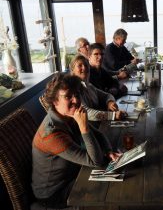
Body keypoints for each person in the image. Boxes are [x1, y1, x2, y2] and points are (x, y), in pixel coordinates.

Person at [31, 73, 121, 209]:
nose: (76, 100)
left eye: (77, 95)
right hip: (54, 194)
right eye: (68, 96)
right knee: (111, 189)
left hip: (72, 174)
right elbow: (95, 161)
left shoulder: (68, 114)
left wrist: (108, 151)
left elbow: (98, 134)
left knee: (118, 176)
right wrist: (84, 127)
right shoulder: (51, 134)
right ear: (55, 101)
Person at [69, 54, 126, 122]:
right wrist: (112, 115)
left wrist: (110, 102)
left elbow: (107, 95)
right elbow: (86, 112)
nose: (84, 68)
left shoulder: (89, 86)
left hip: (99, 123)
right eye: (80, 65)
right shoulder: (73, 90)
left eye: (86, 65)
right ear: (73, 70)